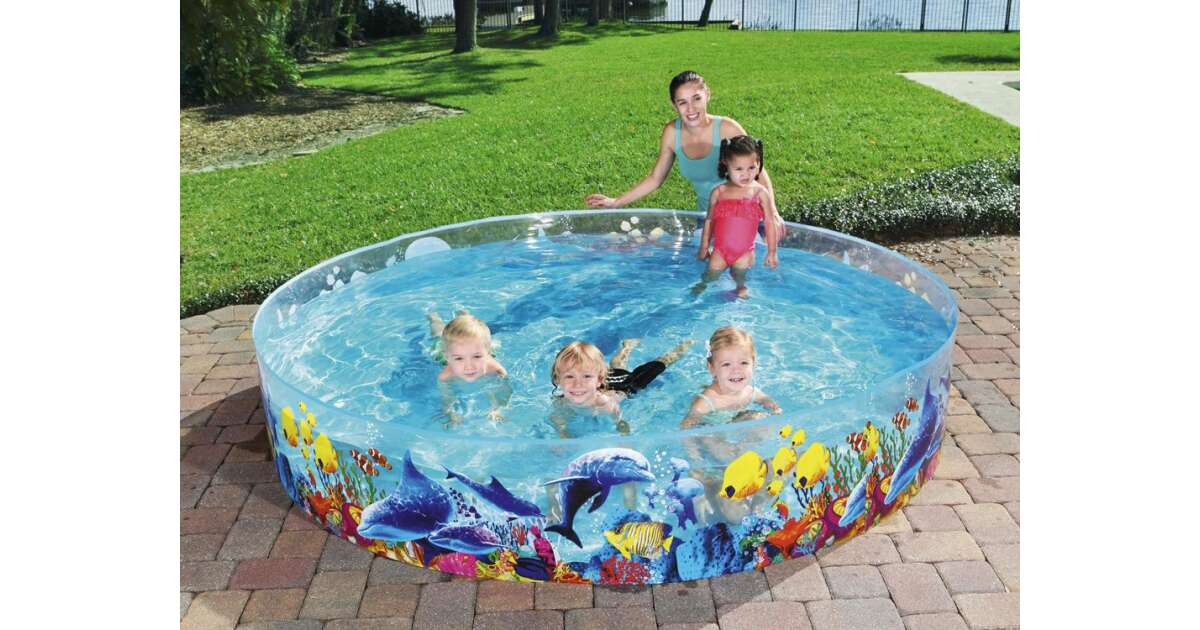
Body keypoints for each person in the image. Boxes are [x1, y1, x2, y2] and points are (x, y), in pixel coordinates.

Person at [584, 70, 785, 235]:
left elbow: (758, 172)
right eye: (682, 102)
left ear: (707, 95)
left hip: (746, 216)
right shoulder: (672, 133)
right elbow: (655, 178)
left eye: (696, 98)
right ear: (674, 105)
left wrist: (772, 214)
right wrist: (616, 202)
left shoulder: (727, 129)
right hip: (707, 218)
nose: (691, 109)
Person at [550, 338, 693, 437]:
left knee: (655, 367)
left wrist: (624, 434)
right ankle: (626, 347)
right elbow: (557, 419)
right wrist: (563, 433)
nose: (578, 384)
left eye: (586, 376)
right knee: (617, 368)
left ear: (599, 380)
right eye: (569, 376)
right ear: (557, 379)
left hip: (625, 386)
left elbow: (620, 421)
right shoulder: (560, 402)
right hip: (608, 381)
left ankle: (680, 349)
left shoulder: (604, 404)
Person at [694, 135, 780, 298]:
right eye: (739, 169)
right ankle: (700, 291)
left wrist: (772, 251)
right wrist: (704, 247)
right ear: (725, 164)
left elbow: (769, 222)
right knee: (708, 277)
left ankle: (740, 289)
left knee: (740, 278)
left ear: (758, 163)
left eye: (751, 168)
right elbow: (710, 220)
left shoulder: (760, 193)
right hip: (720, 251)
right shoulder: (719, 192)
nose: (746, 174)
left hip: (744, 252)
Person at [681, 327, 781, 429]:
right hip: (713, 429)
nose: (736, 370)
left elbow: (768, 402)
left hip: (736, 424)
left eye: (743, 363)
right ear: (712, 368)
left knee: (756, 418)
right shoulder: (707, 401)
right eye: (726, 364)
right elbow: (686, 425)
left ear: (754, 363)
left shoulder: (751, 392)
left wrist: (776, 411)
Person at [428, 311, 510, 426]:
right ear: (448, 357)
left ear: (488, 353)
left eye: (477, 357)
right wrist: (451, 413)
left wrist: (496, 409)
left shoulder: (496, 369)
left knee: (470, 329)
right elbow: (448, 397)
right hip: (443, 351)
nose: (469, 366)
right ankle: (434, 318)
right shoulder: (445, 376)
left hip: (477, 347)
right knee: (438, 334)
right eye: (459, 359)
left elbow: (503, 391)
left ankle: (464, 315)